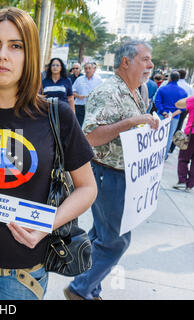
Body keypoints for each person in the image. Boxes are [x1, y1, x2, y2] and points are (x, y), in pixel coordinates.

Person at [0, 7, 97, 300]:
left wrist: (47, 225)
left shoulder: (57, 115)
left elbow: (87, 188)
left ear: (31, 56)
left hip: (25, 274)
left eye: (16, 46)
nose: (3, 55)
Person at [64, 40, 159, 301]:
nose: (151, 65)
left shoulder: (137, 90)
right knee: (116, 241)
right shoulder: (109, 92)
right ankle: (80, 289)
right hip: (109, 176)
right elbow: (90, 136)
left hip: (122, 175)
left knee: (100, 236)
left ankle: (91, 288)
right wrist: (131, 122)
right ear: (126, 62)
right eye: (146, 59)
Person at [154, 71, 188, 159]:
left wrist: (163, 111)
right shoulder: (183, 92)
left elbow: (157, 101)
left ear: (169, 78)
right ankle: (163, 156)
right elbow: (184, 107)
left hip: (162, 115)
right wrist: (173, 114)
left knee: (157, 135)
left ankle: (154, 153)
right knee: (169, 137)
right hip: (174, 117)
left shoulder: (162, 89)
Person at [173, 95, 194, 193]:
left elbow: (178, 103)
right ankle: (190, 185)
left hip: (192, 134)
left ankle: (182, 181)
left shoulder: (192, 100)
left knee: (183, 158)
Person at [169, 69, 193, 153]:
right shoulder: (188, 87)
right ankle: (172, 147)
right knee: (178, 127)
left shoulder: (172, 84)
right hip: (182, 110)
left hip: (171, 109)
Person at [72, 62, 102, 127]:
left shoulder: (98, 80)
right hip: (80, 106)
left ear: (93, 69)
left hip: (93, 106)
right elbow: (72, 92)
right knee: (79, 125)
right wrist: (78, 96)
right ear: (84, 70)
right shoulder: (79, 79)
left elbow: (102, 93)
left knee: (90, 126)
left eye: (89, 68)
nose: (87, 70)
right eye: (86, 68)